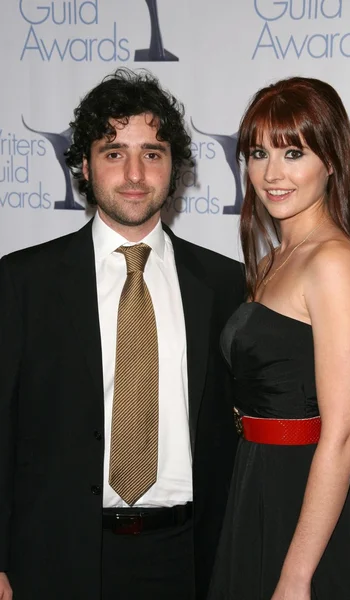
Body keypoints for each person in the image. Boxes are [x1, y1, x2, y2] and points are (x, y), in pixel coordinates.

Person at [0, 69, 244, 600]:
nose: (134, 172)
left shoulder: (227, 285)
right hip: (53, 557)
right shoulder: (22, 282)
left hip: (191, 559)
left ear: (172, 166)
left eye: (152, 153)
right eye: (114, 152)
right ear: (84, 166)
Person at [207, 77, 350, 600]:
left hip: (304, 507)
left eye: (293, 152)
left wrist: (297, 574)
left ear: (330, 161)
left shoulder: (332, 260)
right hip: (257, 485)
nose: (272, 173)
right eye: (259, 152)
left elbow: (346, 434)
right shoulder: (272, 261)